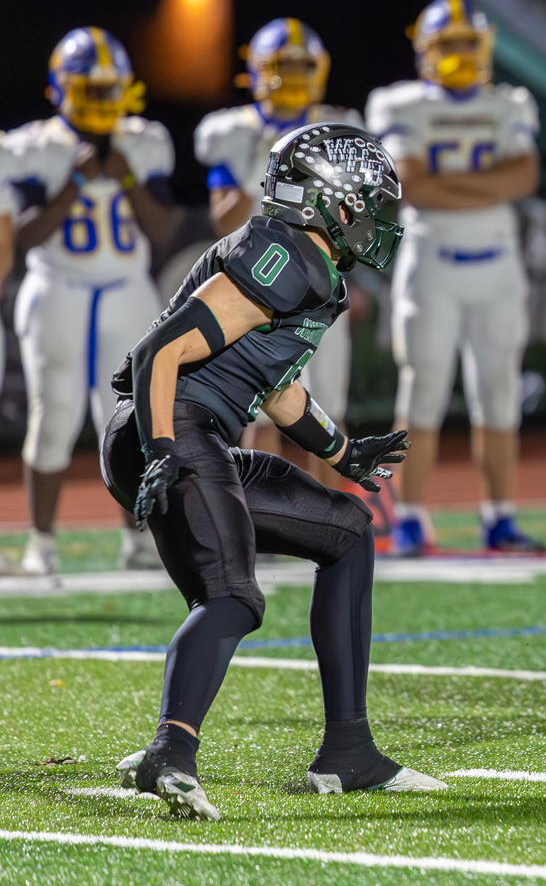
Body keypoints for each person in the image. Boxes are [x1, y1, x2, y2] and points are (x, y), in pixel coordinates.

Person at [104, 123, 444, 819]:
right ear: (327, 200)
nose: (374, 219)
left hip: (195, 430)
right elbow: (156, 354)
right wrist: (164, 446)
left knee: (348, 531)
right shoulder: (282, 254)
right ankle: (171, 752)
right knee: (232, 595)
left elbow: (277, 389)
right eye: (365, 202)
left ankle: (348, 751)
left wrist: (344, 453)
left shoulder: (309, 266)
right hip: (169, 425)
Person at [366, 0, 545, 555]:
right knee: (422, 391)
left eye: (468, 43)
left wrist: (453, 186)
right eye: (447, 45)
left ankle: (500, 517)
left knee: (499, 394)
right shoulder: (401, 103)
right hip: (432, 264)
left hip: (497, 265)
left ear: (485, 49)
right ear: (425, 51)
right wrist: (487, 183)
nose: (459, 55)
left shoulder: (510, 102)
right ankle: (411, 517)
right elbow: (411, 185)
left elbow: (525, 178)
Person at [2, 28, 178, 575]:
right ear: (62, 89)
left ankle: (138, 541)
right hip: (57, 284)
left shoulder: (143, 141)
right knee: (53, 413)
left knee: (130, 420)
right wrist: (74, 186)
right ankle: (42, 543)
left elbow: (164, 228)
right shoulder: (35, 145)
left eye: (109, 91)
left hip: (127, 286)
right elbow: (25, 236)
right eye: (91, 91)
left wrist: (126, 180)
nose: (102, 103)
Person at [195, 19, 363, 487]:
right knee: (260, 414)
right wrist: (264, 165)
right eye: (281, 66)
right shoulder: (233, 132)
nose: (290, 77)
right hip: (259, 286)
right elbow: (224, 220)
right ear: (256, 71)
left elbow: (356, 219)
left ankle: (330, 523)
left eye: (300, 66)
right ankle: (262, 522)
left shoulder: (338, 128)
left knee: (328, 410)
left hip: (322, 284)